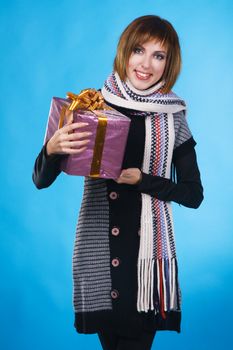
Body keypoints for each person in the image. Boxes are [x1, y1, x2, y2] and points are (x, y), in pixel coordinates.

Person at [33, 15, 204, 350]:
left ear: (169, 64)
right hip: (100, 253)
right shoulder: (90, 105)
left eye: (159, 55)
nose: (146, 64)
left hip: (146, 267)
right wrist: (51, 149)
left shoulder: (174, 118)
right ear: (125, 52)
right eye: (139, 50)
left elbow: (193, 195)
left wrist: (143, 180)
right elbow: (40, 180)